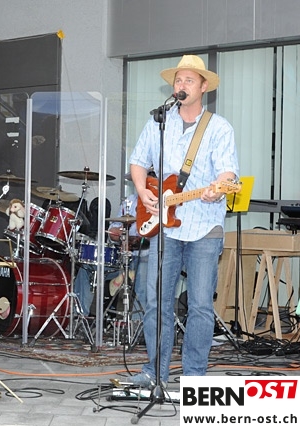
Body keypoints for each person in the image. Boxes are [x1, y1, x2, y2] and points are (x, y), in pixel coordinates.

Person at [128, 55, 239, 387]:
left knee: (200, 306)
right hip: (164, 227)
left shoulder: (218, 127)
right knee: (156, 303)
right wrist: (142, 191)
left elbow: (228, 174)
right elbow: (138, 161)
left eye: (189, 80)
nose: (182, 85)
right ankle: (155, 372)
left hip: (205, 226)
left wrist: (217, 190)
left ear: (204, 87)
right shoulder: (158, 123)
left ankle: (195, 377)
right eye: (179, 80)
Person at [73, 194, 148, 320]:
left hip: (145, 258)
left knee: (143, 280)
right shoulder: (130, 200)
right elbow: (113, 231)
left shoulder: (159, 202)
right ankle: (80, 317)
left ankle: (137, 324)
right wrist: (118, 234)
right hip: (122, 259)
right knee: (86, 267)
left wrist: (133, 241)